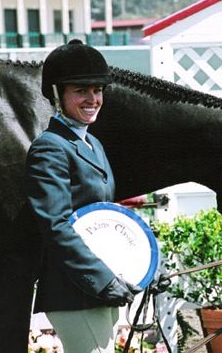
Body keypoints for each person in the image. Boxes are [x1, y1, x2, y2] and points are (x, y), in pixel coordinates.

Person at [25, 39, 141, 353]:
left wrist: (143, 269)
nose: (92, 99)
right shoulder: (49, 148)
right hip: (74, 293)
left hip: (100, 290)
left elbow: (106, 218)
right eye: (81, 90)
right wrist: (103, 280)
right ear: (56, 94)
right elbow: (56, 226)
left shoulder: (94, 145)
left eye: (97, 90)